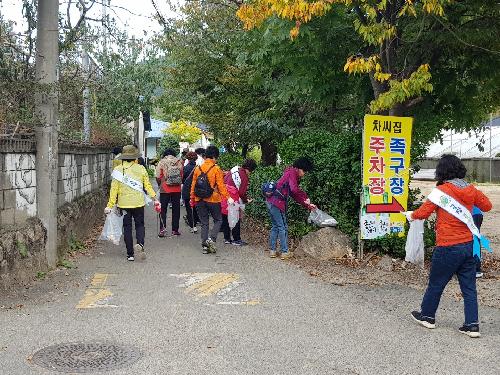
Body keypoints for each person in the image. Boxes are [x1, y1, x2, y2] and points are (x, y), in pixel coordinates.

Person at [407, 154, 492, 338]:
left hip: (447, 246)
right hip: (468, 246)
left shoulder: (442, 191)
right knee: (469, 288)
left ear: (442, 171)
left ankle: (427, 316)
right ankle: (472, 325)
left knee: (436, 283)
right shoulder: (471, 189)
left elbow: (423, 213)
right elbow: (487, 206)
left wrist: (411, 215)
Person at [105, 145, 158, 261]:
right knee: (140, 225)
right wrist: (154, 198)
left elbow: (114, 190)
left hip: (124, 204)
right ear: (135, 157)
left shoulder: (117, 170)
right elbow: (147, 186)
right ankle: (140, 244)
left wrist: (110, 205)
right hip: (138, 202)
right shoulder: (141, 169)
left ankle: (130, 254)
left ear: (123, 157)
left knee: (127, 227)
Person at [266, 157, 316, 260]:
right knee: (282, 226)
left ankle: (273, 251)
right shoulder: (292, 172)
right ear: (299, 168)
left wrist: (306, 203)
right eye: (304, 171)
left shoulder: (289, 172)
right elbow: (294, 189)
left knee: (275, 226)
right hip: (277, 203)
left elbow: (294, 194)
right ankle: (284, 252)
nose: (304, 174)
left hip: (271, 202)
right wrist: (306, 197)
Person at [190, 145, 232, 254]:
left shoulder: (198, 168)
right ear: (214, 156)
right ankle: (211, 240)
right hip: (213, 199)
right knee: (218, 220)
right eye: (216, 157)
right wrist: (228, 197)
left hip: (199, 199)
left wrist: (192, 199)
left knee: (204, 223)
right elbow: (221, 186)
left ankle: (205, 246)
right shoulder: (216, 169)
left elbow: (193, 185)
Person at [221, 158, 257, 246]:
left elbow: (224, 179)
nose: (250, 173)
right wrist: (246, 200)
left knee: (225, 217)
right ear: (249, 169)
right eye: (251, 171)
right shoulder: (244, 176)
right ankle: (236, 239)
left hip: (224, 195)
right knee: (235, 218)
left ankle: (227, 238)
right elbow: (241, 192)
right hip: (233, 198)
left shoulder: (234, 169)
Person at [156, 148, 183, 237]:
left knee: (163, 209)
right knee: (176, 209)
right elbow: (181, 175)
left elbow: (158, 176)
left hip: (165, 188)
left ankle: (162, 229)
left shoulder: (162, 162)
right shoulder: (179, 161)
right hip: (177, 189)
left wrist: (160, 185)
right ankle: (175, 230)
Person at [182, 151, 200, 233]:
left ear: (188, 159)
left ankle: (192, 226)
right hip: (196, 190)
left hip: (187, 190)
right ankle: (195, 224)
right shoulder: (199, 168)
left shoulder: (185, 168)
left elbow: (182, 180)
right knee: (196, 208)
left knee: (189, 209)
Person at [472, 206, 484, 278]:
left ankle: (476, 268)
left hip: (468, 214)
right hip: (477, 213)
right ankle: (476, 268)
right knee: (475, 240)